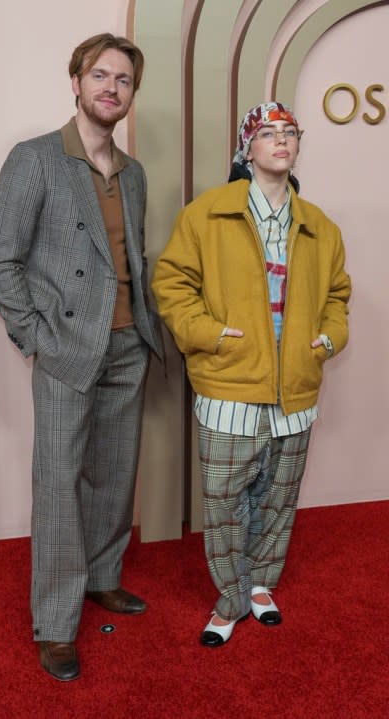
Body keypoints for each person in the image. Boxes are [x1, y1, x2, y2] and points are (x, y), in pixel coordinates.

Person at [0, 33, 163, 680]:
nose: (111, 87)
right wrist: (34, 337)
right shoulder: (35, 159)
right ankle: (56, 624)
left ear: (130, 95)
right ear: (76, 82)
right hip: (64, 347)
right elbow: (0, 260)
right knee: (59, 487)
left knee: (114, 477)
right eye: (100, 75)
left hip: (126, 345)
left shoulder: (133, 171)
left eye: (123, 80)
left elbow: (132, 259)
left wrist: (146, 328)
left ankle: (102, 577)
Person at [152, 102, 351, 647]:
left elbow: (338, 294)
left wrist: (328, 339)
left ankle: (261, 585)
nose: (281, 141)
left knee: (278, 498)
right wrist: (211, 335)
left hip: (297, 393)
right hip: (229, 387)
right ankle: (229, 597)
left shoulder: (319, 226)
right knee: (224, 503)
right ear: (247, 148)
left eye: (290, 133)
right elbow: (171, 285)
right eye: (268, 133)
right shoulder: (206, 214)